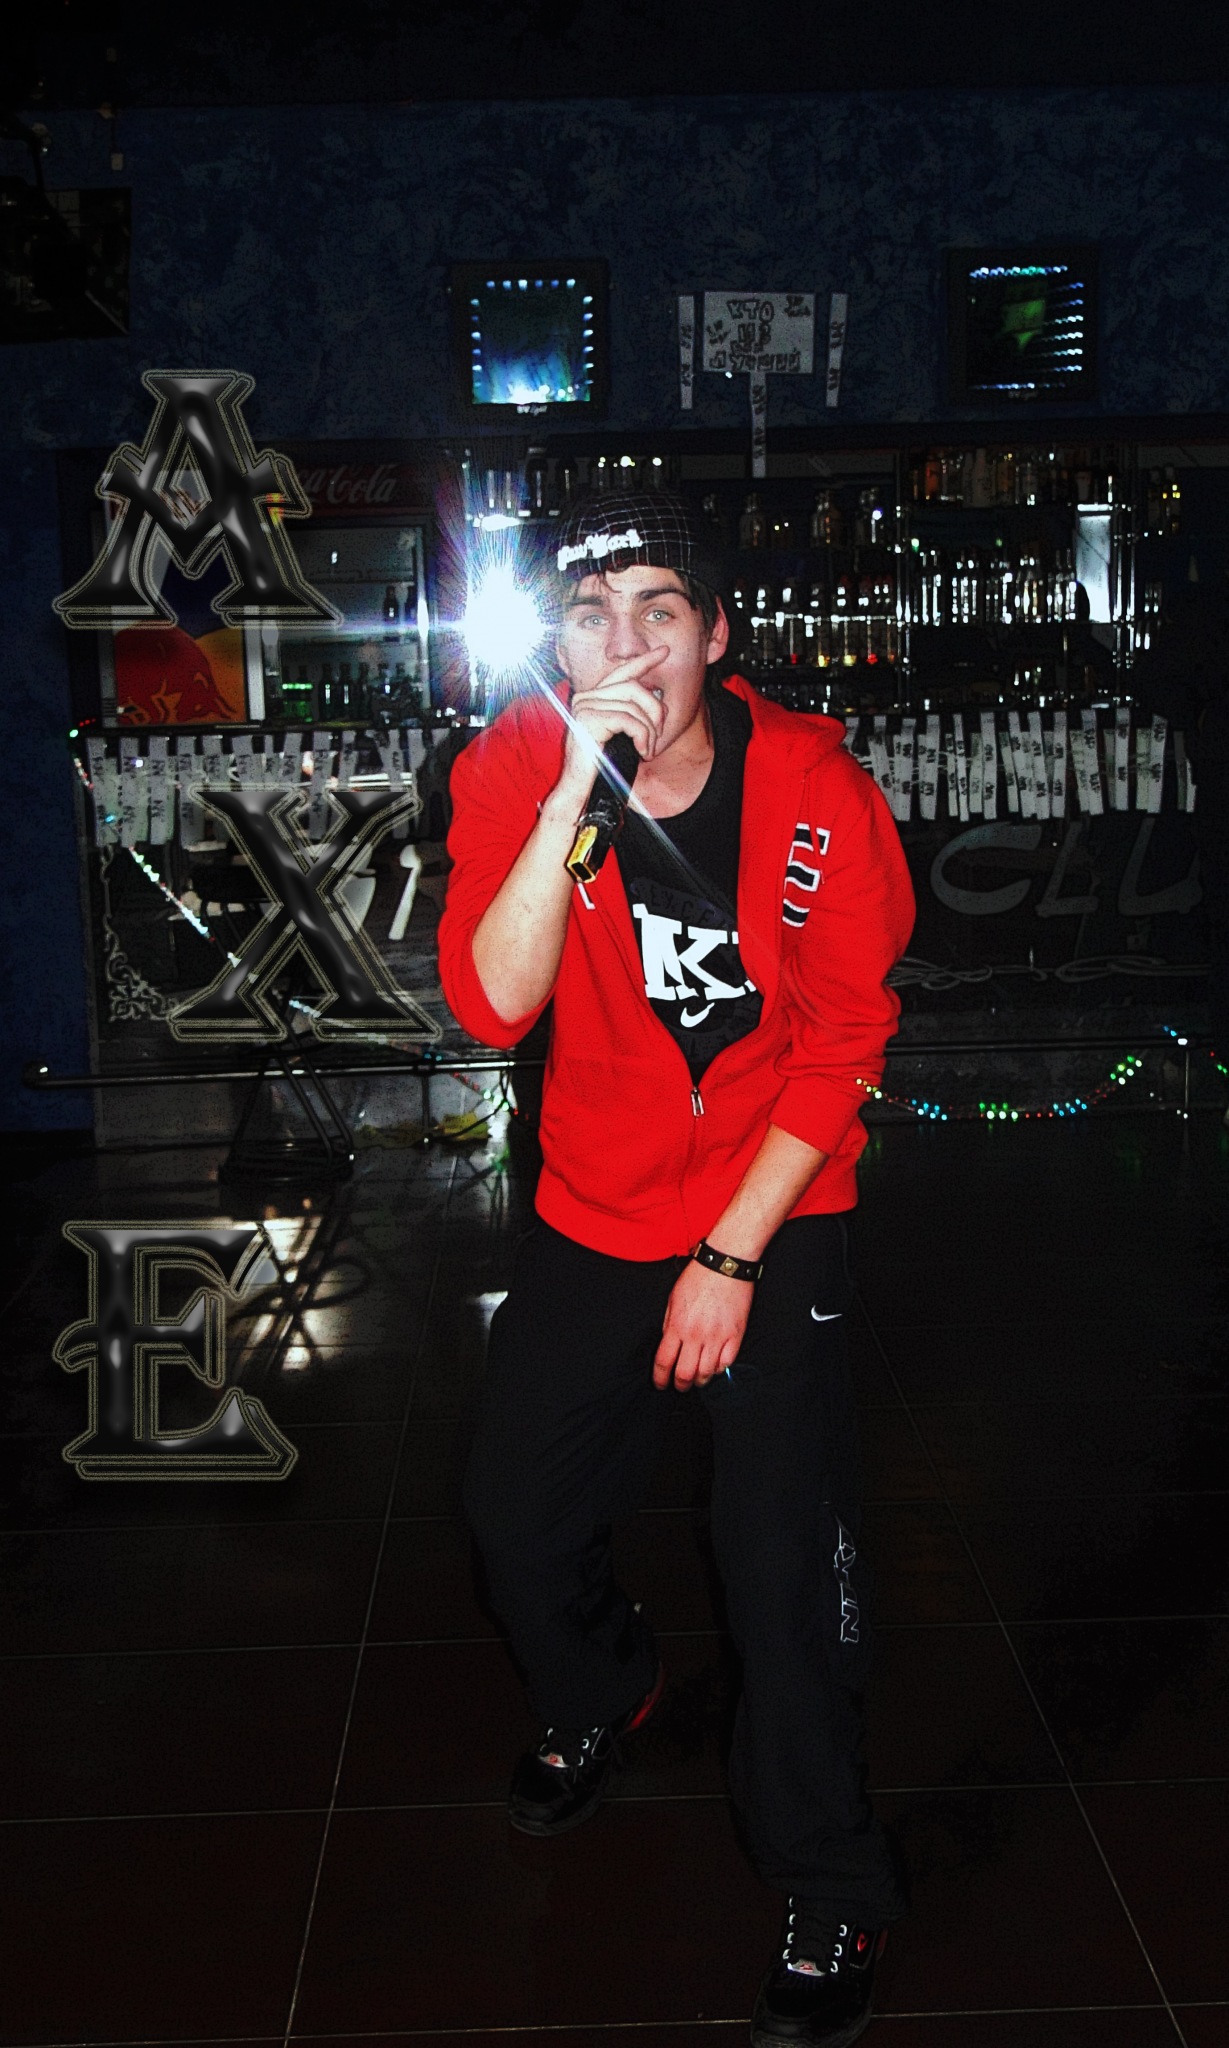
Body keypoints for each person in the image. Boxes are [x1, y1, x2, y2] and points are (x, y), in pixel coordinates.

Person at [438, 490, 915, 2047]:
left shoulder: (818, 791)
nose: (625, 645)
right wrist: (570, 791)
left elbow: (843, 1043)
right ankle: (602, 1686)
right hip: (597, 1201)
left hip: (773, 1205)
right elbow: (494, 1004)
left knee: (782, 1572)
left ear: (714, 634)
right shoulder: (516, 761)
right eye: (589, 614)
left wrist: (728, 1255)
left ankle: (830, 1881)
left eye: (658, 610)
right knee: (515, 1520)